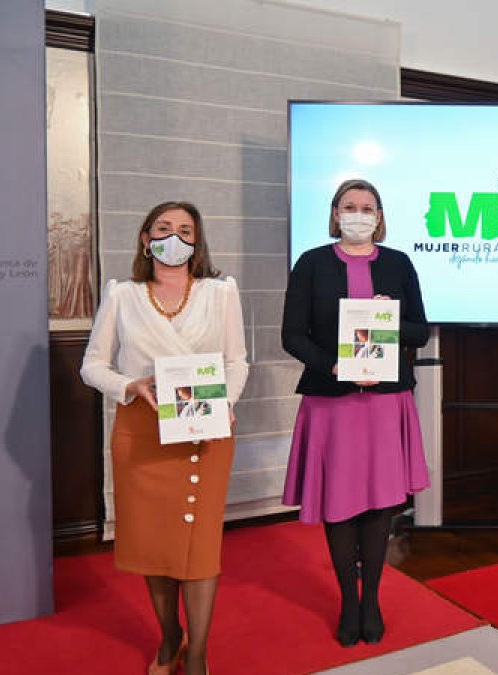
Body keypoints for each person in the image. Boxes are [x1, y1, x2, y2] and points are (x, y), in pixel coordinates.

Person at [81, 201, 249, 675]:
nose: (174, 238)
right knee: (155, 545)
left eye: (185, 230)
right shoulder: (123, 295)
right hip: (141, 432)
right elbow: (91, 365)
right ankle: (169, 634)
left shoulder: (220, 293)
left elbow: (236, 361)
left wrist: (226, 403)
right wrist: (128, 386)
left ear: (197, 242)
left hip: (206, 427)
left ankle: (196, 654)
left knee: (199, 547)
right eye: (163, 228)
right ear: (145, 238)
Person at [281, 178, 431, 647]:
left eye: (368, 207)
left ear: (380, 217)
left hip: (386, 401)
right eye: (350, 206)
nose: (359, 214)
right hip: (333, 401)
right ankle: (349, 601)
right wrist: (336, 364)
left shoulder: (400, 264)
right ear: (335, 213)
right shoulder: (311, 264)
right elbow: (292, 335)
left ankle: (373, 601)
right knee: (340, 504)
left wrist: (394, 314)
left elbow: (420, 331)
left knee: (382, 501)